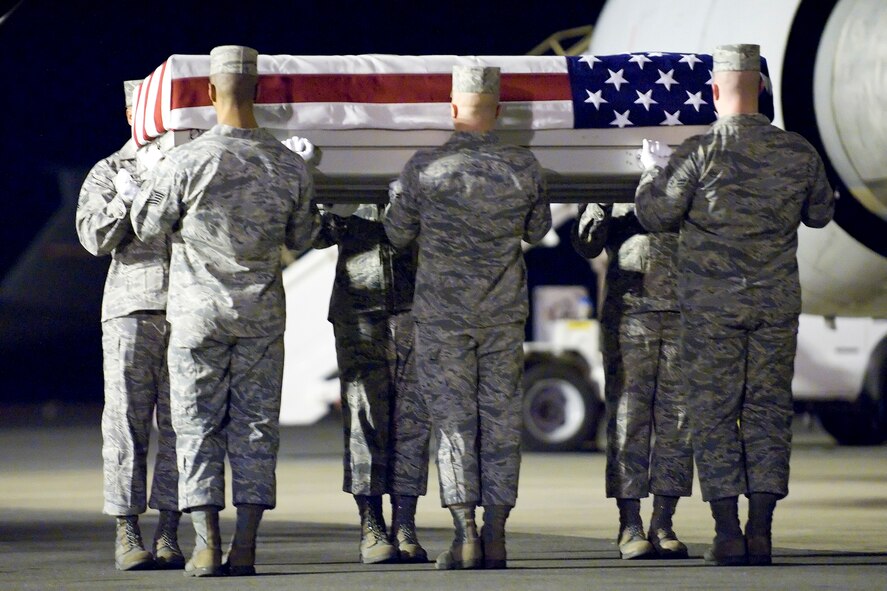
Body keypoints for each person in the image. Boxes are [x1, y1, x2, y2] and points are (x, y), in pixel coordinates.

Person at [634, 43, 835, 566]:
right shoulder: (798, 152)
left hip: (711, 311)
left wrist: (648, 175)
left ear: (714, 90)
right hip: (774, 307)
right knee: (768, 412)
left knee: (715, 415)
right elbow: (819, 215)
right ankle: (761, 531)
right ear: (762, 88)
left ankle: (727, 533)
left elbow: (656, 215)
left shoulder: (699, 152)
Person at [129, 45, 320, 577]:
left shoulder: (187, 160)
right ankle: (248, 547)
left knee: (196, 428)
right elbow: (304, 235)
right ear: (258, 92)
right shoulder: (288, 164)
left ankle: (207, 546)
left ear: (210, 93)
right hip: (260, 316)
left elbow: (146, 227)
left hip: (197, 316)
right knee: (256, 429)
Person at [383, 65, 551, 570]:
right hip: (502, 316)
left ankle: (466, 535)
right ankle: (497, 537)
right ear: (497, 110)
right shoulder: (524, 167)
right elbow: (538, 230)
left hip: (442, 320)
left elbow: (396, 234)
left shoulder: (425, 169)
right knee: (500, 426)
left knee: (453, 427)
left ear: (452, 108)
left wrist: (395, 195)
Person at [75, 80, 182, 572]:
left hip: (188, 305)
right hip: (131, 307)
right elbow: (94, 238)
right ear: (129, 115)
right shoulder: (109, 171)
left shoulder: (187, 165)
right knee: (125, 423)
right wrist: (128, 199)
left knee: (184, 425)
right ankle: (126, 531)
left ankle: (169, 532)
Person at [571, 201, 693, 560]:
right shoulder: (613, 181)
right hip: (630, 314)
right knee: (628, 419)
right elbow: (587, 245)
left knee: (679, 422)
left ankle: (664, 521)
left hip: (685, 311)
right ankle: (630, 523)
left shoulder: (687, 170)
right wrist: (600, 207)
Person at [312, 200, 430, 564]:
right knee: (364, 419)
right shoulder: (348, 169)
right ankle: (371, 524)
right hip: (359, 308)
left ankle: (406, 524)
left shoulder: (415, 172)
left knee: (413, 420)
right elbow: (314, 236)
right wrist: (335, 210)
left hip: (415, 305)